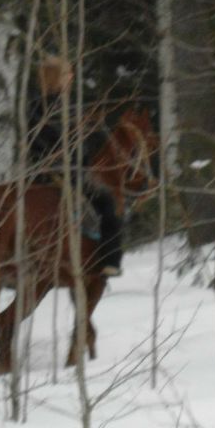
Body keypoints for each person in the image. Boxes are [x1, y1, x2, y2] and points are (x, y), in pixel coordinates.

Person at [27, 55, 124, 277]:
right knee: (108, 203)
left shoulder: (33, 105)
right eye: (66, 74)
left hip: (36, 172)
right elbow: (70, 144)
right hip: (65, 172)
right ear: (56, 78)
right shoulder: (60, 106)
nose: (71, 78)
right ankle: (110, 260)